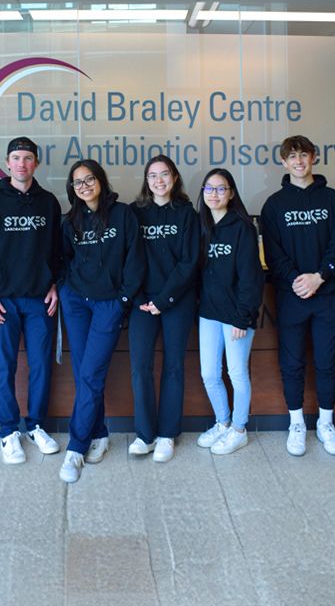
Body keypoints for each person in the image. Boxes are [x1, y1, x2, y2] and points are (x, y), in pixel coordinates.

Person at [0, 137, 62, 465]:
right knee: (4, 368)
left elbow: (58, 251)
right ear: (7, 163)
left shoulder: (49, 203)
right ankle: (9, 432)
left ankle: (36, 426)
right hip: (3, 302)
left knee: (40, 367)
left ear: (36, 163)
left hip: (39, 300)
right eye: (15, 158)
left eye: (27, 158)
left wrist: (56, 284)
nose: (21, 164)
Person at [260, 135, 335, 457]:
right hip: (291, 296)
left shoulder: (333, 199)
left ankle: (326, 423)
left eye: (303, 155)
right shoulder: (274, 205)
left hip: (328, 294)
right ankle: (296, 423)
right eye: (291, 157)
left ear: (314, 157)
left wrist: (320, 276)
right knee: (292, 363)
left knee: (328, 362)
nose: (298, 161)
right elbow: (274, 252)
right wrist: (298, 280)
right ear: (283, 163)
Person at [56, 160, 145, 484]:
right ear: (72, 189)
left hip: (109, 304)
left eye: (89, 179)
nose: (84, 186)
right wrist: (66, 289)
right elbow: (62, 259)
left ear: (101, 181)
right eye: (77, 183)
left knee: (91, 373)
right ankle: (100, 433)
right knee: (83, 372)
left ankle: (76, 448)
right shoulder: (70, 222)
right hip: (77, 302)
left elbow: (136, 260)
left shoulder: (123, 215)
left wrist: (123, 300)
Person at [128, 155, 199, 464]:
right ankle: (145, 434)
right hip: (142, 302)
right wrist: (140, 298)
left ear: (174, 178)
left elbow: (189, 262)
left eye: (164, 174)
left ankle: (168, 434)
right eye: (152, 175)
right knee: (140, 367)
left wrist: (165, 299)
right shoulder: (134, 213)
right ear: (146, 181)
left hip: (177, 301)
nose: (158, 180)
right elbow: (126, 258)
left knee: (173, 367)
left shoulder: (187, 214)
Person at [196, 168, 264, 456]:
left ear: (232, 193)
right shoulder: (201, 226)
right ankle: (222, 422)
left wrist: (242, 315)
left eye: (221, 189)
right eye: (209, 189)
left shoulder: (243, 227)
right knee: (209, 373)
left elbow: (251, 276)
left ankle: (239, 429)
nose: (214, 194)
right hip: (209, 313)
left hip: (236, 315)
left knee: (237, 373)